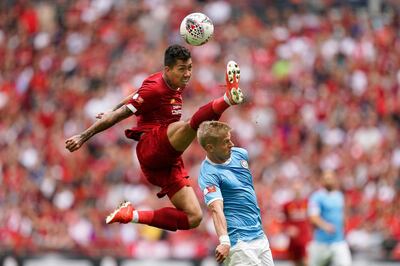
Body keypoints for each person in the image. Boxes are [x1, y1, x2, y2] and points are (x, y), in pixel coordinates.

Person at [65, 44, 244, 232]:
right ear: (167, 70)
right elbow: (120, 116)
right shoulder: (156, 89)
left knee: (194, 217)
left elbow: (134, 96)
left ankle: (132, 215)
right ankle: (227, 99)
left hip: (167, 163)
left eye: (190, 67)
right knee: (188, 126)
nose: (187, 74)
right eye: (182, 69)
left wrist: (113, 107)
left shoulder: (174, 83)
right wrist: (84, 136)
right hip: (151, 146)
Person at [196, 121, 275, 266]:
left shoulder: (241, 154)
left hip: (259, 235)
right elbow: (216, 208)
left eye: (230, 139)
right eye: (226, 142)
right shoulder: (208, 174)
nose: (231, 144)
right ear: (210, 147)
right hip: (238, 242)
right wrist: (224, 241)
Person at [308, 171, 352, 266]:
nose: (329, 181)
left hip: (338, 241)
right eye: (326, 178)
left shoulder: (339, 196)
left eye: (331, 178)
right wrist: (325, 226)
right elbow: (313, 217)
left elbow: (342, 214)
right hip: (321, 243)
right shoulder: (317, 196)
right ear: (322, 181)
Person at [282, 181, 312, 266]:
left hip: (304, 237)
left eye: (298, 189)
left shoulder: (308, 203)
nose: (297, 191)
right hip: (294, 239)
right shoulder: (287, 205)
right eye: (295, 189)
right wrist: (288, 228)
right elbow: (284, 221)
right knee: (296, 262)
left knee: (305, 261)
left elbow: (312, 219)